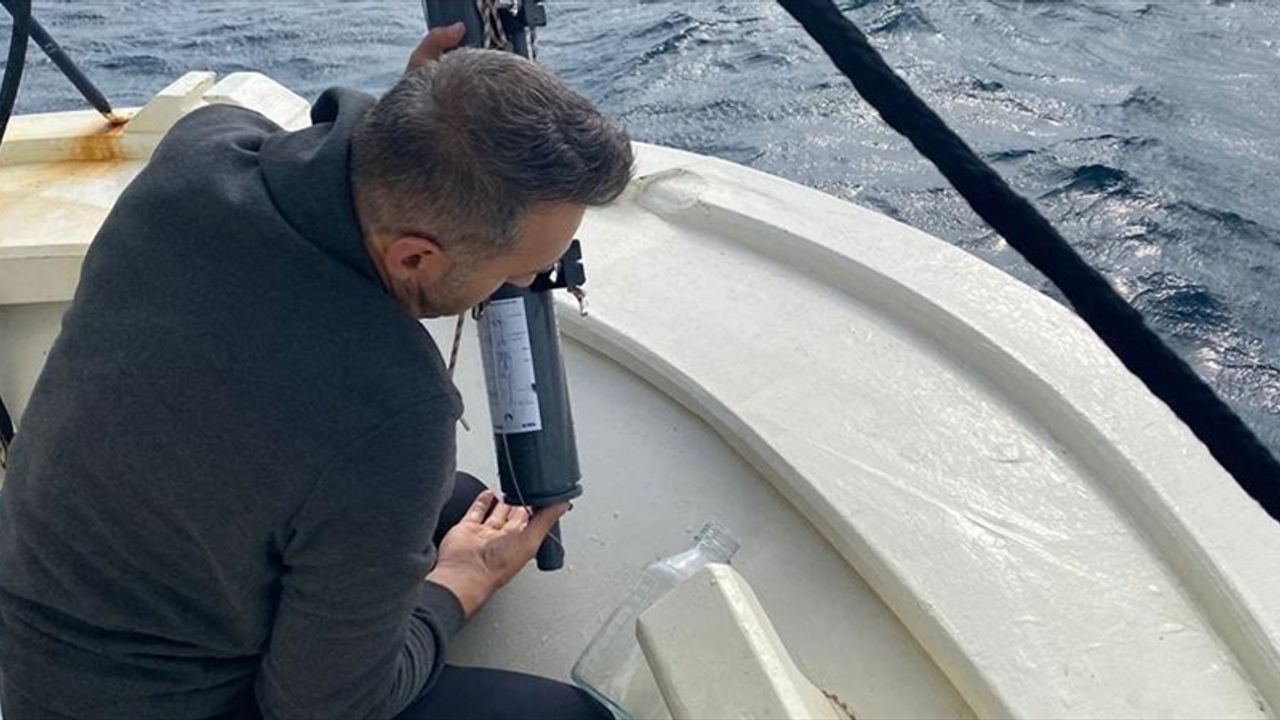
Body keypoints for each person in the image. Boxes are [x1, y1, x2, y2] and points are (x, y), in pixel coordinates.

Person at [0, 23, 632, 720]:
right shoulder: (397, 414)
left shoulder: (201, 151)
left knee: (458, 504)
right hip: (153, 706)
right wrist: (457, 585)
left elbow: (332, 152)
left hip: (38, 620)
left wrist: (420, 111)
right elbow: (322, 710)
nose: (532, 283)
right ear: (415, 258)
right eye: (522, 272)